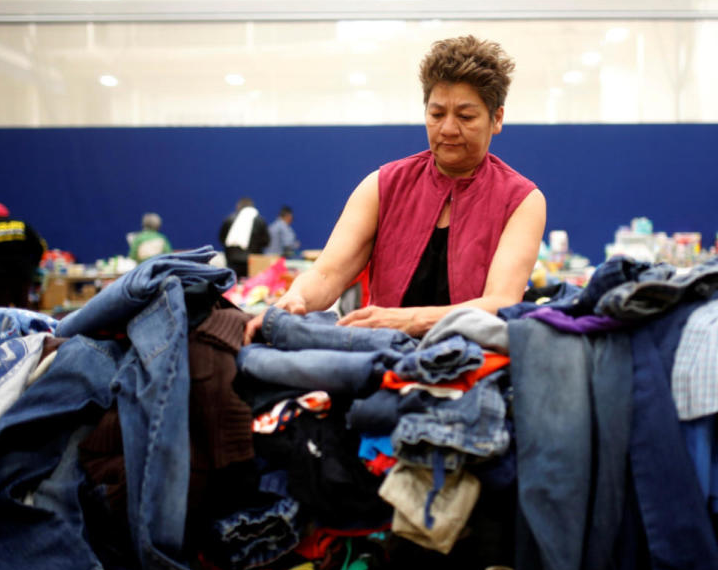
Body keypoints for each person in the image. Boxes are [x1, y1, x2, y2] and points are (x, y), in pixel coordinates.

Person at [245, 35, 546, 342]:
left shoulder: (522, 201)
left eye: (466, 117)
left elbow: (501, 303)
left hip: (472, 362)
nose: (448, 129)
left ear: (497, 118)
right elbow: (327, 273)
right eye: (437, 114)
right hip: (380, 356)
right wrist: (297, 299)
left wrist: (409, 320)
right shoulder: (381, 186)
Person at [219, 197, 269, 280]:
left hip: (232, 259)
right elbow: (266, 241)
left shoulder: (229, 219)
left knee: (232, 285)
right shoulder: (260, 221)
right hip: (252, 261)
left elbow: (222, 238)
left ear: (238, 207)